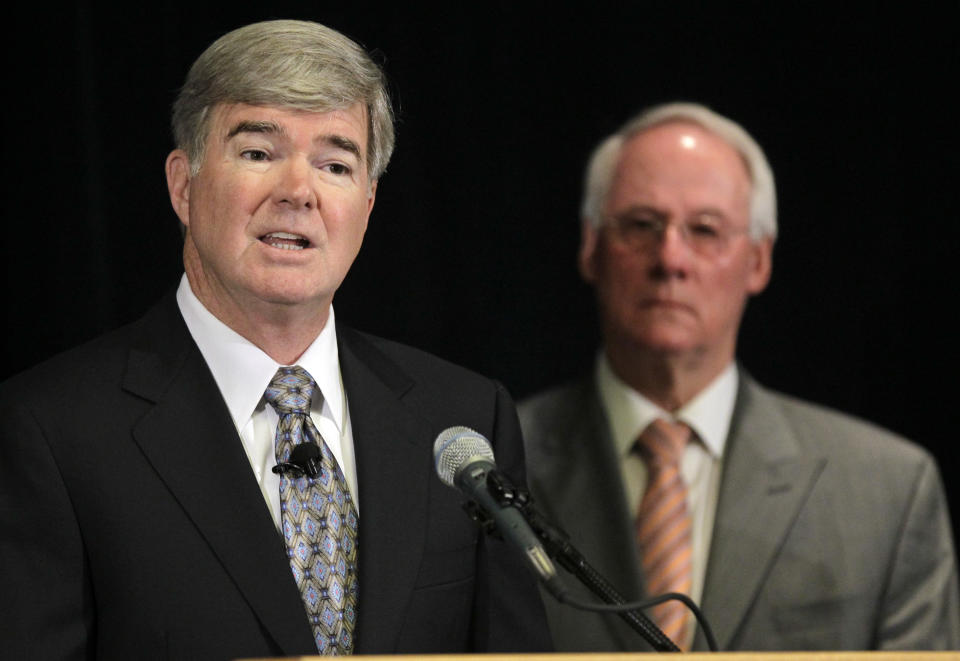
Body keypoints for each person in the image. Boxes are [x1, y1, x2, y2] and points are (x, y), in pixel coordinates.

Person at [0, 20, 550, 659]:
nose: (298, 192)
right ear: (184, 185)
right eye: (258, 152)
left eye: (335, 164)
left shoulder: (462, 420)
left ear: (367, 205)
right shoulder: (50, 430)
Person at [518, 102, 959, 651]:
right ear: (590, 248)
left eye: (705, 230)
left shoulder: (888, 492)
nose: (671, 258)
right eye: (641, 226)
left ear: (758, 260)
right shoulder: (494, 463)